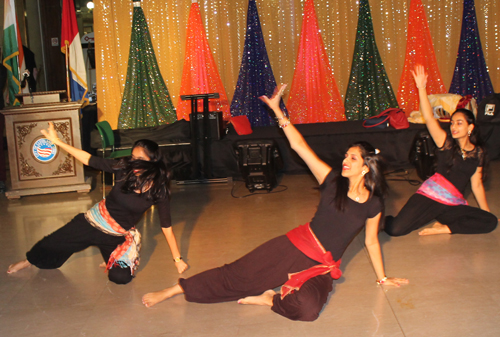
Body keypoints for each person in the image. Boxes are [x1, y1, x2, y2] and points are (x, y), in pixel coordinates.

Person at [142, 84, 408, 321]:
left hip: (322, 267)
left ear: (365, 168)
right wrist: (278, 112)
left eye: (352, 158)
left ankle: (270, 298)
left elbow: (371, 241)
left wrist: (382, 278)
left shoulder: (373, 204)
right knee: (237, 276)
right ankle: (177, 288)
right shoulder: (331, 181)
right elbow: (300, 146)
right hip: (294, 246)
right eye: (346, 156)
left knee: (307, 310)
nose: (345, 161)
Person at [7, 122, 188, 284]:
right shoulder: (123, 169)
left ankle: (109, 257)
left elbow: (166, 227)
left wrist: (178, 259)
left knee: (121, 278)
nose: (134, 162)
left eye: (140, 159)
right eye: (133, 157)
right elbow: (88, 159)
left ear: (153, 161)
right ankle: (28, 261)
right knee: (51, 243)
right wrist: (58, 142)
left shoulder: (158, 189)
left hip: (116, 235)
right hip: (92, 222)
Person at [384, 65, 497, 236]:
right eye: (452, 123)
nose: (453, 126)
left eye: (459, 123)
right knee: (395, 229)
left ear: (470, 127)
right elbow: (429, 118)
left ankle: (446, 228)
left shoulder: (478, 153)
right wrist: (421, 87)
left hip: (452, 204)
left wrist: (486, 211)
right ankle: (379, 219)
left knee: (490, 221)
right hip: (429, 197)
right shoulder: (446, 143)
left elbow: (477, 184)